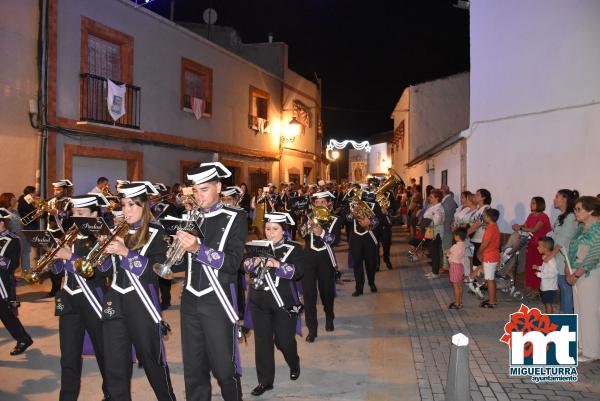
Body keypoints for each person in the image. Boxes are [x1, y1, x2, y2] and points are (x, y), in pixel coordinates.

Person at [173, 163, 247, 401]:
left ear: (218, 187)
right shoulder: (189, 217)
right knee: (193, 370)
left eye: (204, 189)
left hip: (217, 301)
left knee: (224, 369)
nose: (198, 196)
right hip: (190, 300)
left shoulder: (236, 217)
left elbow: (234, 263)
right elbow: (180, 265)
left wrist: (197, 249)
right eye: (195, 191)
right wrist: (173, 252)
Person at [99, 181, 177, 401]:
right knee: (115, 365)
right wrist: (103, 252)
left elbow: (157, 273)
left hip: (141, 304)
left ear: (144, 206)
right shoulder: (118, 231)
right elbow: (104, 270)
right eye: (123, 205)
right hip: (114, 301)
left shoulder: (156, 232)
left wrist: (126, 253)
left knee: (152, 361)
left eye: (132, 205)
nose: (126, 210)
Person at [51, 194, 112, 401]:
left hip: (93, 300)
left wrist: (70, 257)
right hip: (69, 301)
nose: (76, 218)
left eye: (81, 214)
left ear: (94, 215)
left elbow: (99, 271)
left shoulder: (103, 238)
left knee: (104, 351)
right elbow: (58, 271)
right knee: (68, 356)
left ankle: (111, 393)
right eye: (74, 213)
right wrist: (55, 257)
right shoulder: (69, 236)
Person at [243, 212, 306, 396]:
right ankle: (265, 382)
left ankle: (294, 362)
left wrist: (277, 264)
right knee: (262, 343)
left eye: (275, 229)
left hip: (283, 302)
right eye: (268, 228)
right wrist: (251, 263)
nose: (270, 233)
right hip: (258, 302)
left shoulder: (294, 248)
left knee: (284, 341)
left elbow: (298, 272)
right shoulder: (256, 246)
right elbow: (242, 266)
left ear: (284, 230)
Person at [301, 191, 341, 342]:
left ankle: (329, 316)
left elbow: (335, 240)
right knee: (309, 296)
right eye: (317, 202)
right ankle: (312, 330)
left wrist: (322, 232)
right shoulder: (308, 216)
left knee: (327, 293)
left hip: (326, 260)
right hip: (308, 260)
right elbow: (301, 233)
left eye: (323, 202)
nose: (320, 205)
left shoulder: (335, 219)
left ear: (329, 203)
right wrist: (308, 225)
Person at [566, 196, 600, 362]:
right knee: (579, 310)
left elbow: (594, 255)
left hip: (590, 273)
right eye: (575, 209)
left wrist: (577, 273)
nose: (576, 212)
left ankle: (592, 351)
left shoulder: (598, 229)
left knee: (589, 311)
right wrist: (568, 270)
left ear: (591, 210)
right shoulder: (580, 229)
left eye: (579, 209)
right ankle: (582, 346)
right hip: (575, 272)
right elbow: (571, 250)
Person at [0, 208, 33, 356]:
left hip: (2, 284)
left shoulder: (12, 241)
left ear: (2, 223)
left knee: (6, 314)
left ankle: (23, 339)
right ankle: (24, 339)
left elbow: (11, 265)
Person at [545, 189, 579, 313]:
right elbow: (554, 235)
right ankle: (565, 316)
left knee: (566, 290)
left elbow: (562, 240)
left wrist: (550, 254)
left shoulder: (571, 217)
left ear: (565, 199)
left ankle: (566, 320)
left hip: (565, 259)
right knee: (563, 289)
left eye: (557, 196)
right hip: (558, 258)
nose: (554, 199)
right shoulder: (561, 217)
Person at [512, 197, 551, 299]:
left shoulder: (543, 217)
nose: (531, 205)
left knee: (539, 266)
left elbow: (534, 229)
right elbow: (525, 226)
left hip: (541, 246)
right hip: (531, 244)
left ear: (540, 204)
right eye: (531, 203)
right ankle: (530, 288)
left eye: (533, 203)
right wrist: (517, 226)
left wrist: (520, 227)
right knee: (530, 266)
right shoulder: (530, 216)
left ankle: (537, 289)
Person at [347, 187, 379, 296]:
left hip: (369, 238)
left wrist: (370, 222)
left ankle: (371, 283)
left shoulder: (374, 205)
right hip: (356, 239)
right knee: (357, 264)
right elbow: (346, 218)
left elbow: (379, 220)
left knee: (371, 263)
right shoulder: (351, 205)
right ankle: (359, 288)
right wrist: (352, 214)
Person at [47, 179, 74, 298]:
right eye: (54, 189)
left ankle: (67, 287)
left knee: (65, 261)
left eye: (58, 189)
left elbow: (70, 215)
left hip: (64, 234)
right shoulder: (51, 201)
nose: (55, 191)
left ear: (64, 190)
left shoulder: (70, 202)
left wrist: (57, 212)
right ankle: (55, 288)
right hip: (51, 234)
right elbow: (45, 216)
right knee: (51, 262)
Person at [472, 208, 501, 308]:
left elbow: (485, 243)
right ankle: (493, 299)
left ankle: (492, 302)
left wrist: (478, 253)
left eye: (484, 215)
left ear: (488, 217)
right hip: (492, 255)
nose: (483, 217)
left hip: (490, 256)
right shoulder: (494, 226)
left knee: (489, 279)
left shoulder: (491, 228)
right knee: (491, 279)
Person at [467, 189, 492, 281]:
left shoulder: (486, 208)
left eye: (477, 195)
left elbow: (479, 222)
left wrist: (466, 232)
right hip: (475, 238)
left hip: (481, 239)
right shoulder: (479, 209)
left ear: (483, 197)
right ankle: (476, 281)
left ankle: (480, 282)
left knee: (479, 261)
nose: (475, 197)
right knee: (475, 261)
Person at [423, 189, 445, 279]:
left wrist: (429, 218)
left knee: (435, 253)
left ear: (437, 198)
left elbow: (437, 221)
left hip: (437, 233)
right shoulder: (433, 207)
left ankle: (435, 273)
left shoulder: (439, 208)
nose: (429, 199)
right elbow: (426, 216)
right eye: (430, 197)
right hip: (431, 232)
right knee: (432, 253)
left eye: (431, 197)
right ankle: (433, 271)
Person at [533, 237, 558, 314]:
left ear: (546, 248)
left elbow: (553, 273)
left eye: (539, 246)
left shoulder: (551, 260)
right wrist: (538, 268)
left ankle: (549, 318)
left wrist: (539, 274)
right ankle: (548, 316)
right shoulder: (546, 258)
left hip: (550, 287)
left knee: (548, 303)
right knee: (547, 303)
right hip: (546, 286)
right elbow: (546, 269)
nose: (537, 247)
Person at [17, 186, 38, 273]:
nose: (35, 195)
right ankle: (26, 271)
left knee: (27, 250)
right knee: (26, 250)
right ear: (31, 193)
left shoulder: (26, 200)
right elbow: (31, 212)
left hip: (29, 227)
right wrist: (37, 208)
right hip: (26, 227)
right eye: (34, 193)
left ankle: (27, 270)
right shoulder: (24, 200)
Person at [447, 227, 467, 309]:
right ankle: (460, 301)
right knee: (459, 285)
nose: (454, 237)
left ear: (458, 236)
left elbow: (449, 254)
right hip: (460, 266)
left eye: (454, 235)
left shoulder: (455, 246)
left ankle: (457, 303)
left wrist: (447, 252)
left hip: (454, 266)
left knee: (455, 286)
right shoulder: (463, 245)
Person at [440, 185, 458, 272]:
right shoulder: (447, 200)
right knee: (445, 247)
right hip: (446, 227)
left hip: (447, 228)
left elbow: (444, 215)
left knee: (446, 248)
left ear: (443, 191)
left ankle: (446, 267)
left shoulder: (449, 201)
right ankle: (445, 265)